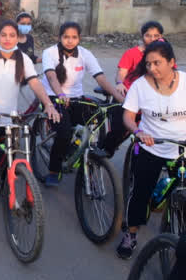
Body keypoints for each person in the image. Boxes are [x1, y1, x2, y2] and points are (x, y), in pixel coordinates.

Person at [0, 20, 60, 214]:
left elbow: (35, 84)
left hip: (8, 113)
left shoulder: (24, 59)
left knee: (10, 152)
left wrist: (49, 104)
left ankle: (6, 187)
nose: (8, 39)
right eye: (4, 35)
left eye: (12, 35)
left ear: (17, 37)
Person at [116, 41, 185, 259]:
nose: (152, 68)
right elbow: (128, 116)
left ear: (171, 62)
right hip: (150, 147)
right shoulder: (139, 86)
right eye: (148, 64)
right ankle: (131, 233)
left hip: (181, 149)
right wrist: (138, 132)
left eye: (157, 63)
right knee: (140, 194)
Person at [41, 22, 126, 186]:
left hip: (77, 98)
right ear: (59, 37)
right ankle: (53, 170)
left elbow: (100, 77)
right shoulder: (49, 52)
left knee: (96, 121)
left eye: (74, 37)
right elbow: (51, 77)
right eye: (66, 37)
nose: (70, 41)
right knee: (64, 133)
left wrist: (121, 99)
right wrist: (60, 94)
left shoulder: (85, 54)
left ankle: (83, 155)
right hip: (54, 97)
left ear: (79, 38)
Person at [115, 21, 165, 96]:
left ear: (161, 37)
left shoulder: (165, 54)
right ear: (142, 36)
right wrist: (120, 83)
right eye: (148, 36)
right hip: (132, 93)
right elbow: (122, 72)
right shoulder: (131, 53)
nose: (152, 39)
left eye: (156, 36)